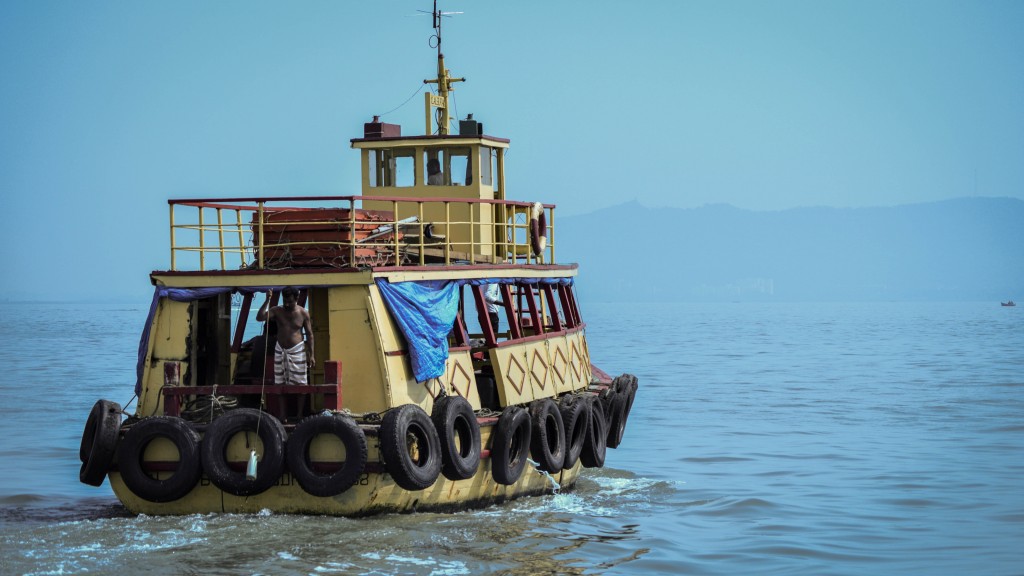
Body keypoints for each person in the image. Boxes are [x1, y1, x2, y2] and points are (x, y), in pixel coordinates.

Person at [257, 287, 314, 385]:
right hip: (280, 350)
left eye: (290, 301)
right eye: (284, 301)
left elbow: (309, 334)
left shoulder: (303, 313)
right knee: (280, 382)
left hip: (298, 351)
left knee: (300, 383)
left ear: (297, 298)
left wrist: (312, 354)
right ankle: (281, 401)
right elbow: (260, 317)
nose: (287, 304)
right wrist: (267, 300)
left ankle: (299, 401)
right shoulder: (277, 310)